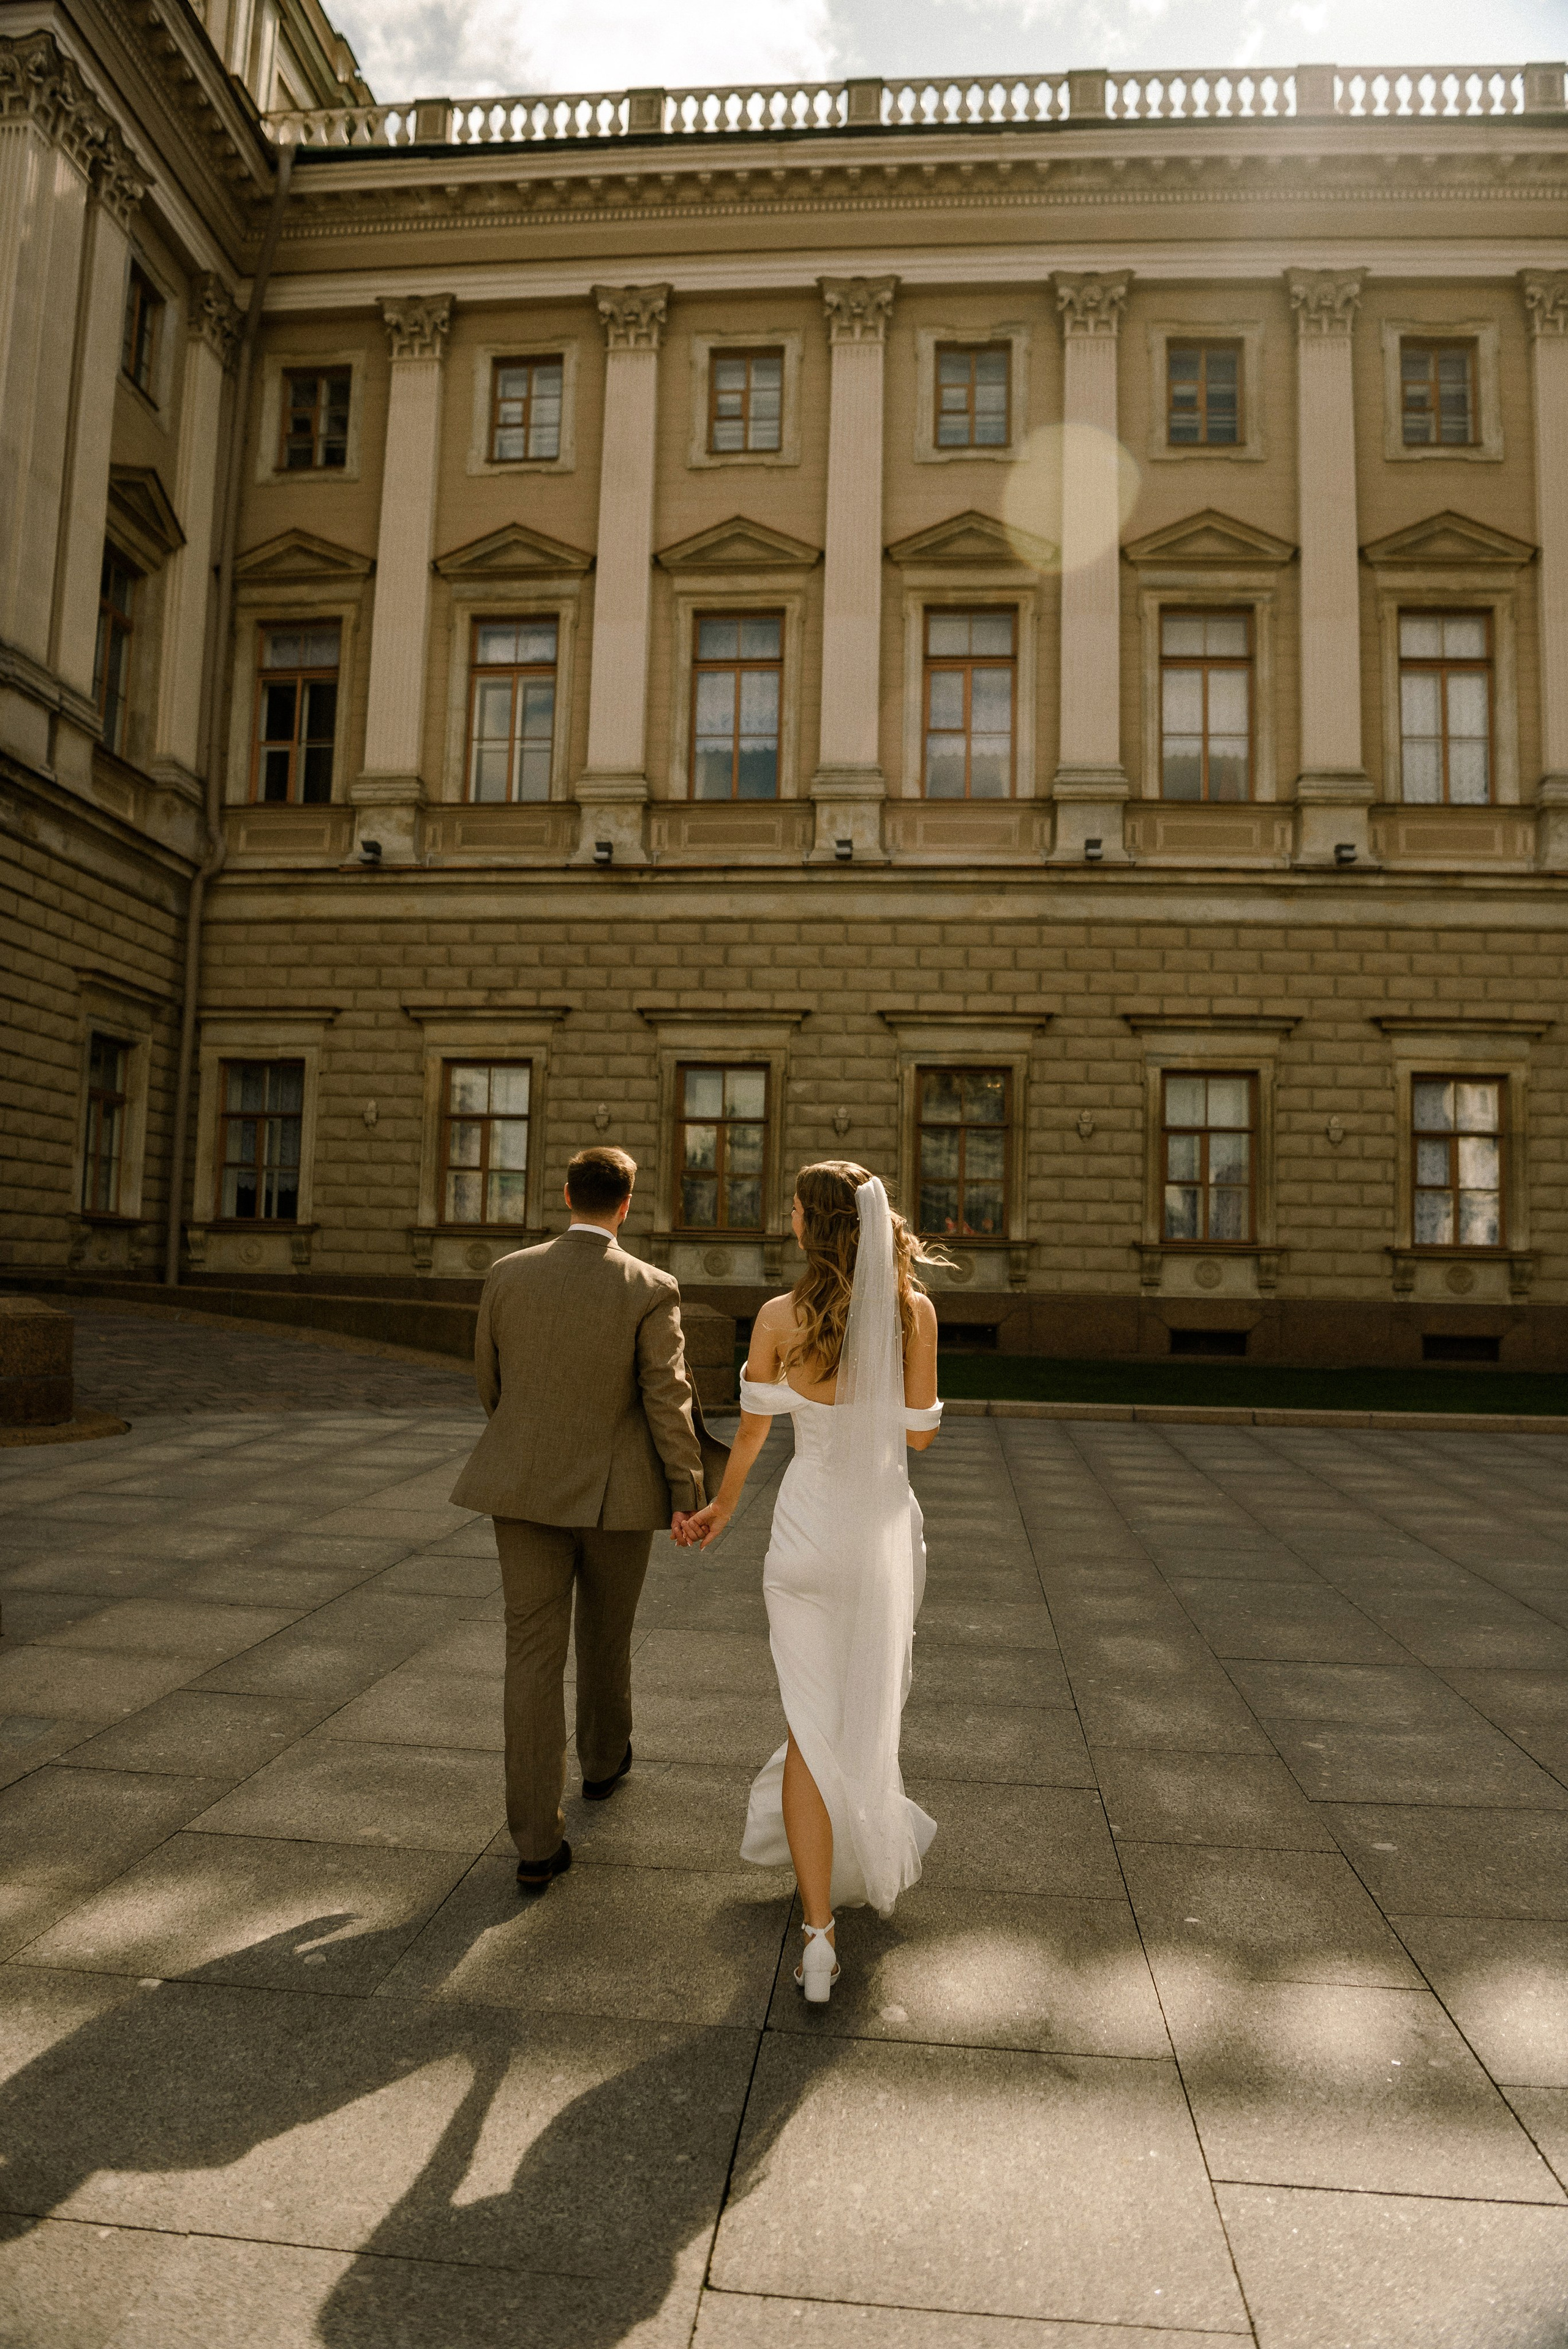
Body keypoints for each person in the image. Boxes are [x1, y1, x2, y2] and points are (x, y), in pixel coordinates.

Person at [677, 1161, 943, 2003]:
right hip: (877, 1536)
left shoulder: (777, 1317)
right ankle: (840, 1885)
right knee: (862, 1708)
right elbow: (921, 1436)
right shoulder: (912, 1312)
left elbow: (754, 1432)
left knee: (807, 1722)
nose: (786, 1217)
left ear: (811, 1223)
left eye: (792, 1208)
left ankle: (819, 1935)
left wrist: (721, 1507)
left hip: (803, 1534)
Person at [450, 1144, 717, 1892]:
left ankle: (536, 1842)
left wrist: (525, 1449)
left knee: (531, 1655)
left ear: (567, 1195)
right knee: (606, 1633)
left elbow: (489, 1382)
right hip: (616, 1494)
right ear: (626, 1204)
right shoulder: (649, 1286)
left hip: (521, 1488)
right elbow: (668, 1397)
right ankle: (602, 1763)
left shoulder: (507, 1273)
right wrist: (687, 1490)